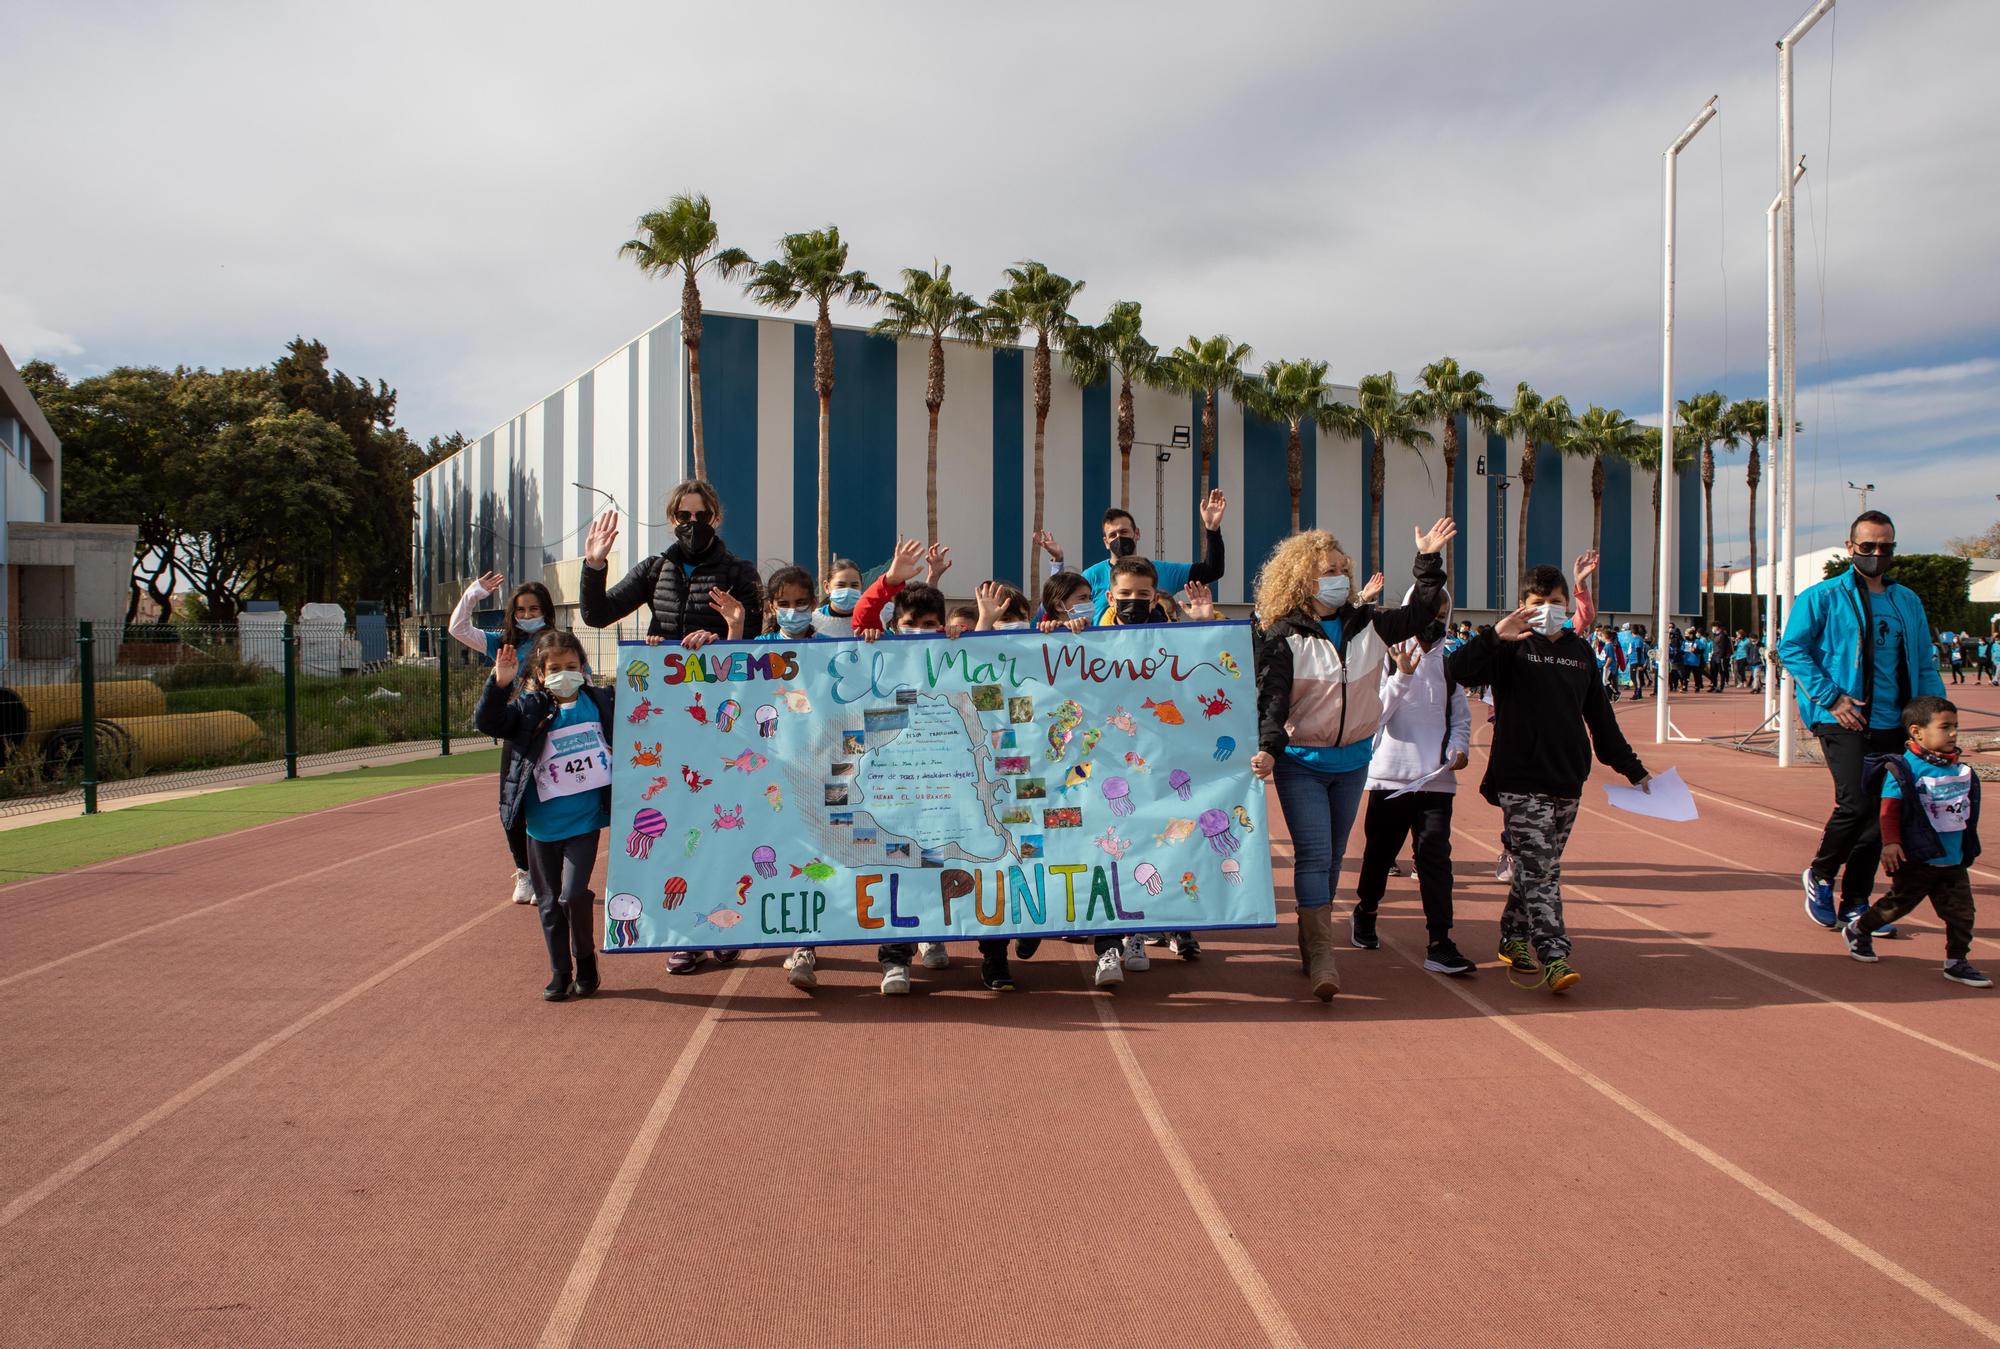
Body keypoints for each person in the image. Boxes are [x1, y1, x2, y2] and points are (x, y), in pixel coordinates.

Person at [1250, 517, 1458, 1002]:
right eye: (1329, 571)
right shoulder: (1282, 634)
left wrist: (1428, 562)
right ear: (1304, 579)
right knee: (1316, 854)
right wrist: (1268, 747)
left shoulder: (1370, 623)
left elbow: (1425, 613)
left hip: (1355, 761)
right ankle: (1323, 954)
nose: (1339, 577)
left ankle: (1311, 941)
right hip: (1303, 761)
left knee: (1335, 858)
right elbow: (1273, 699)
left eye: (1343, 569)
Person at [577, 479, 761, 974]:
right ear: (671, 519)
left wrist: (723, 636)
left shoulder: (739, 571)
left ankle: (728, 927)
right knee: (676, 825)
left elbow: (761, 641)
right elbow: (596, 614)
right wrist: (594, 564)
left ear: (716, 517)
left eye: (701, 515)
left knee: (723, 824)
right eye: (683, 515)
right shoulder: (655, 568)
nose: (692, 524)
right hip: (664, 720)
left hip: (724, 719)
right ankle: (685, 934)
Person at [1446, 564, 1652, 995]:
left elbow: (1601, 720)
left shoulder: (1581, 655)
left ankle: (1512, 935)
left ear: (1567, 605)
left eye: (1555, 603)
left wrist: (1634, 770)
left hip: (1567, 779)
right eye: (1537, 604)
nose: (1547, 610)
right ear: (1524, 606)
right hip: (1519, 780)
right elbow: (1458, 672)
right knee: (1543, 871)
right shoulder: (1509, 648)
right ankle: (1554, 955)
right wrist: (1493, 635)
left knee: (1532, 868)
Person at [1780, 510, 1946, 932]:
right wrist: (1831, 698)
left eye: (1885, 546)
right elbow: (1792, 649)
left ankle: (1855, 902)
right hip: (1843, 716)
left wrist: (1934, 719)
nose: (1876, 553)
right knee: (1855, 802)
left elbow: (1924, 663)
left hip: (1896, 720)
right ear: (1851, 547)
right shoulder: (1821, 596)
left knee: (1879, 812)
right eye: (1868, 546)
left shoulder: (1906, 600)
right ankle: (1819, 874)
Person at [474, 631, 615, 1002]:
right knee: (550, 902)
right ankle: (560, 971)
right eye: (555, 668)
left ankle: (585, 961)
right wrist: (499, 683)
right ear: (540, 672)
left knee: (572, 896)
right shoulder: (529, 708)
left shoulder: (600, 701)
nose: (564, 674)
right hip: (540, 825)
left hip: (584, 820)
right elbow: (489, 722)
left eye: (571, 667)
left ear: (583, 668)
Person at [1350, 588, 1476, 975]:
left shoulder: (1449, 664)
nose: (1434, 619)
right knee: (1380, 855)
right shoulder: (1387, 657)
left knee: (1435, 859)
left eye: (1441, 613)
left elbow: (1460, 717)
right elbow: (1375, 716)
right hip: (1390, 779)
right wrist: (1402, 676)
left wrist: (1457, 748)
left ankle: (1440, 941)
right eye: (1427, 611)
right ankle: (1366, 910)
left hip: (1435, 781)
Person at [718, 564, 832, 991]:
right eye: (783, 604)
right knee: (764, 855)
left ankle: (805, 945)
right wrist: (734, 631)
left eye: (801, 603)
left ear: (813, 604)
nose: (793, 610)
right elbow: (732, 689)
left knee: (809, 857)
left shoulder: (827, 650)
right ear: (771, 606)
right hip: (764, 774)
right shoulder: (758, 647)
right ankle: (743, 928)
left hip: (814, 771)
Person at [1842, 696, 1990, 988]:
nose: (1953, 733)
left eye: (1956, 727)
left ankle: (1956, 961)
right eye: (1945, 727)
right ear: (1917, 732)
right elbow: (1889, 809)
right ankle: (1859, 929)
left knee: (1962, 914)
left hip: (1952, 859)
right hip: (1917, 859)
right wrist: (1891, 843)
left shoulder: (1958, 769)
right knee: (1896, 906)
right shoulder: (1906, 770)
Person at [450, 571, 559, 905]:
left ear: (546, 611)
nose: (527, 616)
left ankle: (549, 873)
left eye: (533, 609)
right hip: (517, 734)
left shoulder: (559, 642)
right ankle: (524, 872)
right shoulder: (502, 643)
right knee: (512, 805)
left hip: (555, 733)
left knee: (552, 803)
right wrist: (474, 594)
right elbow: (458, 629)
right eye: (521, 610)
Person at [1034, 492, 1228, 623]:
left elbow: (1213, 570)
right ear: (1105, 542)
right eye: (1113, 535)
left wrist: (1212, 530)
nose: (1119, 538)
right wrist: (1058, 561)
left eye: (1124, 531)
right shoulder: (1091, 576)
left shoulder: (1162, 570)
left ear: (1137, 533)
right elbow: (1053, 604)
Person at [814, 557, 865, 637]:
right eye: (841, 585)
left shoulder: (871, 619)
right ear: (827, 587)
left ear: (861, 587)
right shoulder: (813, 622)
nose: (848, 590)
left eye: (854, 585)